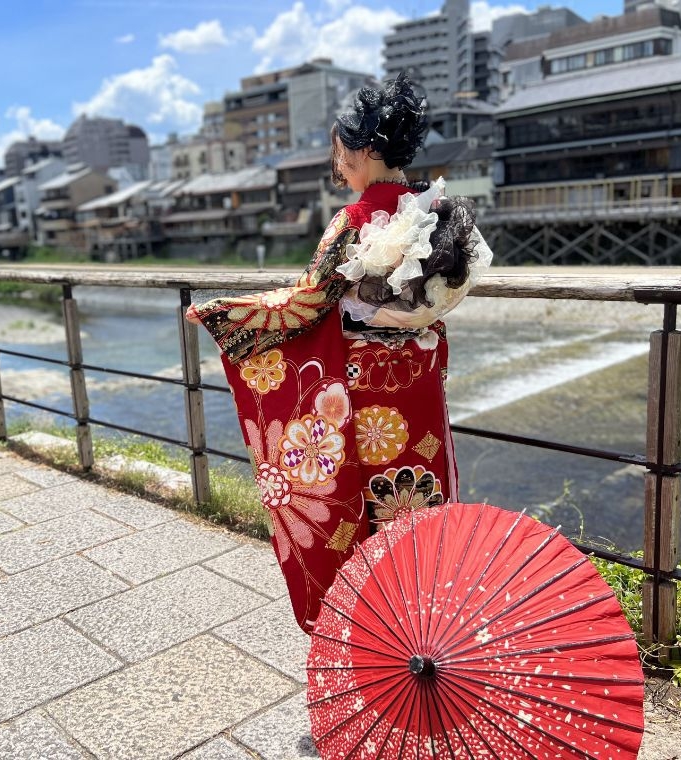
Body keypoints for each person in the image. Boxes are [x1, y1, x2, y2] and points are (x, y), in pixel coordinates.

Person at [187, 74, 492, 633]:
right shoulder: (440, 213)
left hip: (370, 390)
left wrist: (227, 312)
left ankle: (373, 627)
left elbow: (307, 303)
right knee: (419, 499)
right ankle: (431, 628)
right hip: (420, 379)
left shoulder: (354, 222)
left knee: (373, 505)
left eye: (343, 154)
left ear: (368, 152)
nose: (340, 166)